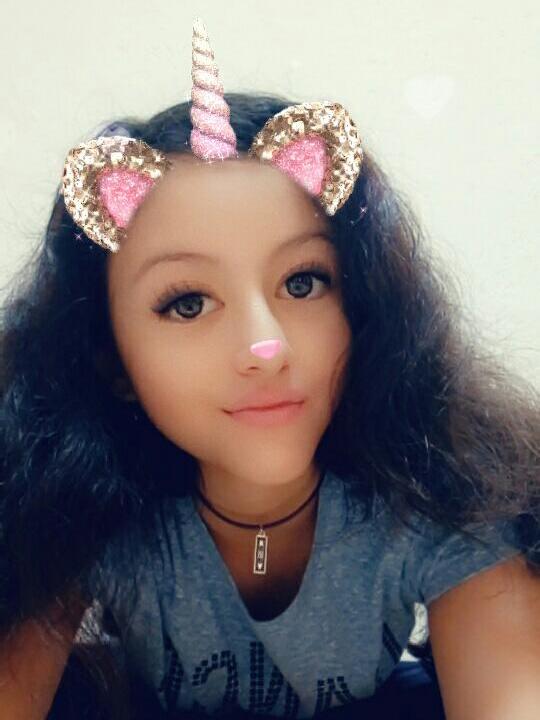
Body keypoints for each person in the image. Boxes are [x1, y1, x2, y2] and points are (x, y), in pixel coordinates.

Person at [1, 17, 540, 720]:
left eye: (303, 282)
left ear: (365, 304)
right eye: (187, 303)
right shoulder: (74, 512)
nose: (267, 346)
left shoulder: (444, 497)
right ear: (110, 361)